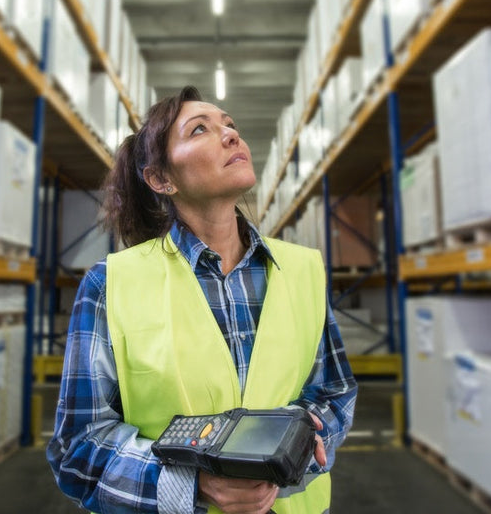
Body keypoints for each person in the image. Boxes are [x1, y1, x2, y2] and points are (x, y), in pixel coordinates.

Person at [47, 86, 357, 514]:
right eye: (200, 130)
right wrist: (192, 485)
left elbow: (334, 391)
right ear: (161, 179)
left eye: (230, 125)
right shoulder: (110, 284)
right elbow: (77, 447)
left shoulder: (302, 270)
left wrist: (295, 456)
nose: (231, 135)